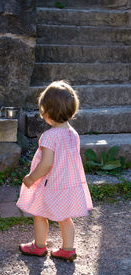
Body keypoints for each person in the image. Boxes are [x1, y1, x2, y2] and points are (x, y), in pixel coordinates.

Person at [16, 80, 93, 261]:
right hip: (68, 183)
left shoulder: (49, 137)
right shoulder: (72, 134)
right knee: (65, 217)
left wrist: (31, 178)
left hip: (51, 184)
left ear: (47, 111)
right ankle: (68, 249)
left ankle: (39, 246)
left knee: (39, 213)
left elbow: (47, 164)